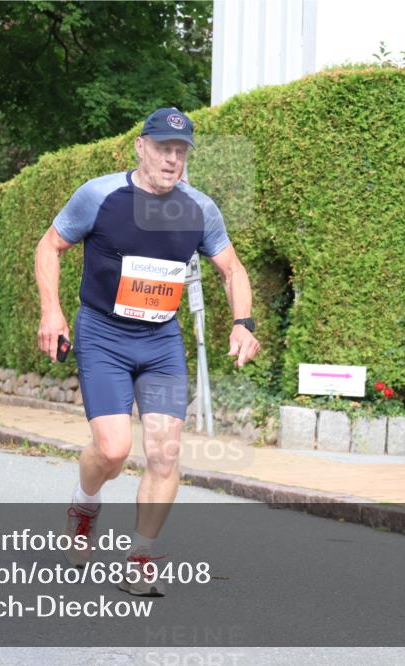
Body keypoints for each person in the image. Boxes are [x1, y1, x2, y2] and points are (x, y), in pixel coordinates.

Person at [34, 107, 260, 596]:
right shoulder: (100, 195)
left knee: (164, 454)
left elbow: (233, 270)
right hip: (103, 337)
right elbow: (49, 247)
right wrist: (51, 312)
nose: (172, 160)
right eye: (163, 148)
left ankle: (141, 556)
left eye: (180, 152)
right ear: (141, 147)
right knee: (113, 450)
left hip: (160, 342)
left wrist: (243, 323)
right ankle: (84, 503)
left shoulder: (199, 208)